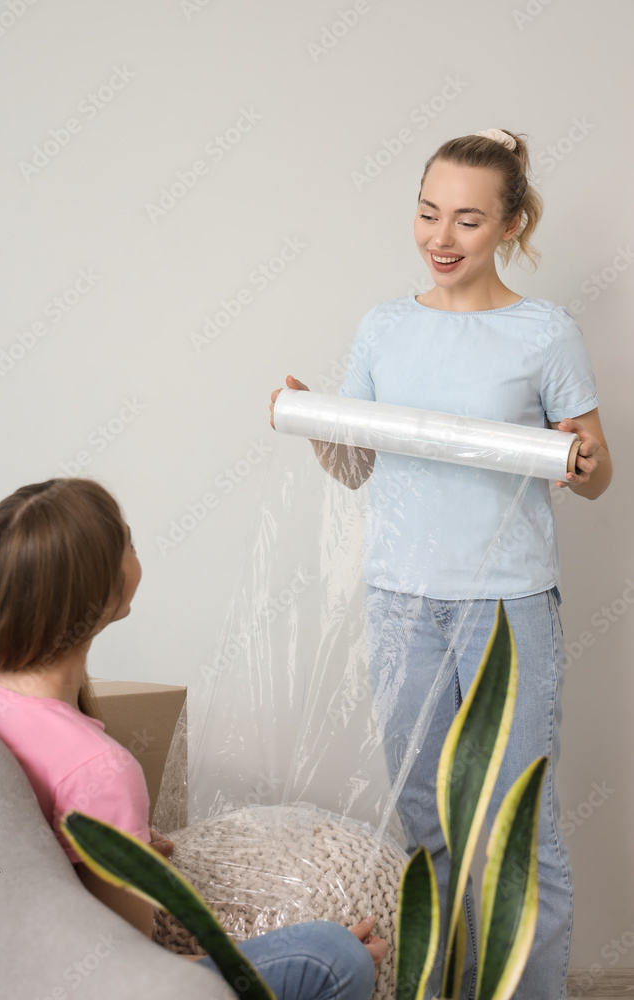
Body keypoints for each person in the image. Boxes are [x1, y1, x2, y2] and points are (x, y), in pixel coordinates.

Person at [270, 128, 612, 1000]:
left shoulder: (545, 333)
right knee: (426, 821)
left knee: (514, 827)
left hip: (507, 613)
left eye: (466, 219)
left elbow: (598, 472)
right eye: (428, 213)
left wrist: (575, 462)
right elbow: (358, 468)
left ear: (510, 223)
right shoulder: (383, 328)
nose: (442, 237)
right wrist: (318, 424)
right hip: (399, 607)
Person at [0, 477, 387, 1000]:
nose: (136, 549)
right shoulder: (99, 769)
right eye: (129, 541)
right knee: (337, 956)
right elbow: (127, 963)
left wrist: (129, 842)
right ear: (101, 593)